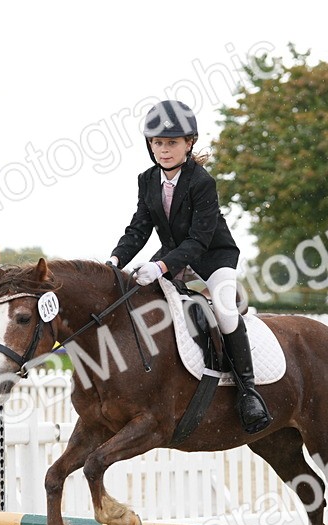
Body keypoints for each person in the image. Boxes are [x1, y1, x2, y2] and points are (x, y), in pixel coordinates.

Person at [105, 100, 272, 435]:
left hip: (213, 256)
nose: (164, 150)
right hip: (173, 254)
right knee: (139, 299)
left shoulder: (201, 181)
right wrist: (115, 261)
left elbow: (199, 239)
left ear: (189, 143)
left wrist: (161, 266)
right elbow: (139, 228)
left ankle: (249, 393)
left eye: (172, 143)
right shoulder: (147, 179)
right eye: (158, 143)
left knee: (225, 313)